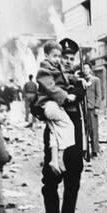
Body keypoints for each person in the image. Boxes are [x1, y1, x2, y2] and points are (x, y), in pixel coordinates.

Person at [38, 38, 86, 213]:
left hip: (74, 135)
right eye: (63, 57)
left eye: (70, 58)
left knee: (72, 183)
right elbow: (36, 104)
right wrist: (41, 109)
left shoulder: (78, 79)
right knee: (50, 182)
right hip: (53, 134)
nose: (66, 61)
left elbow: (78, 93)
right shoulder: (53, 74)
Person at [35, 41, 76, 175]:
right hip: (50, 104)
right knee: (69, 127)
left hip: (51, 105)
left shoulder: (55, 68)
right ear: (46, 55)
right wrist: (66, 96)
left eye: (59, 56)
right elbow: (51, 87)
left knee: (55, 132)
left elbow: (64, 79)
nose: (58, 59)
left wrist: (75, 79)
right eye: (55, 56)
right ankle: (60, 156)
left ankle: (55, 159)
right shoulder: (44, 70)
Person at [82, 62, 102, 157]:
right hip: (83, 109)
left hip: (92, 108)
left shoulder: (95, 80)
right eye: (83, 68)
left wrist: (97, 107)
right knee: (85, 130)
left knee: (94, 129)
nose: (85, 70)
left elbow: (99, 95)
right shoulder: (81, 80)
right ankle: (85, 149)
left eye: (87, 68)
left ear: (90, 69)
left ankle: (95, 150)